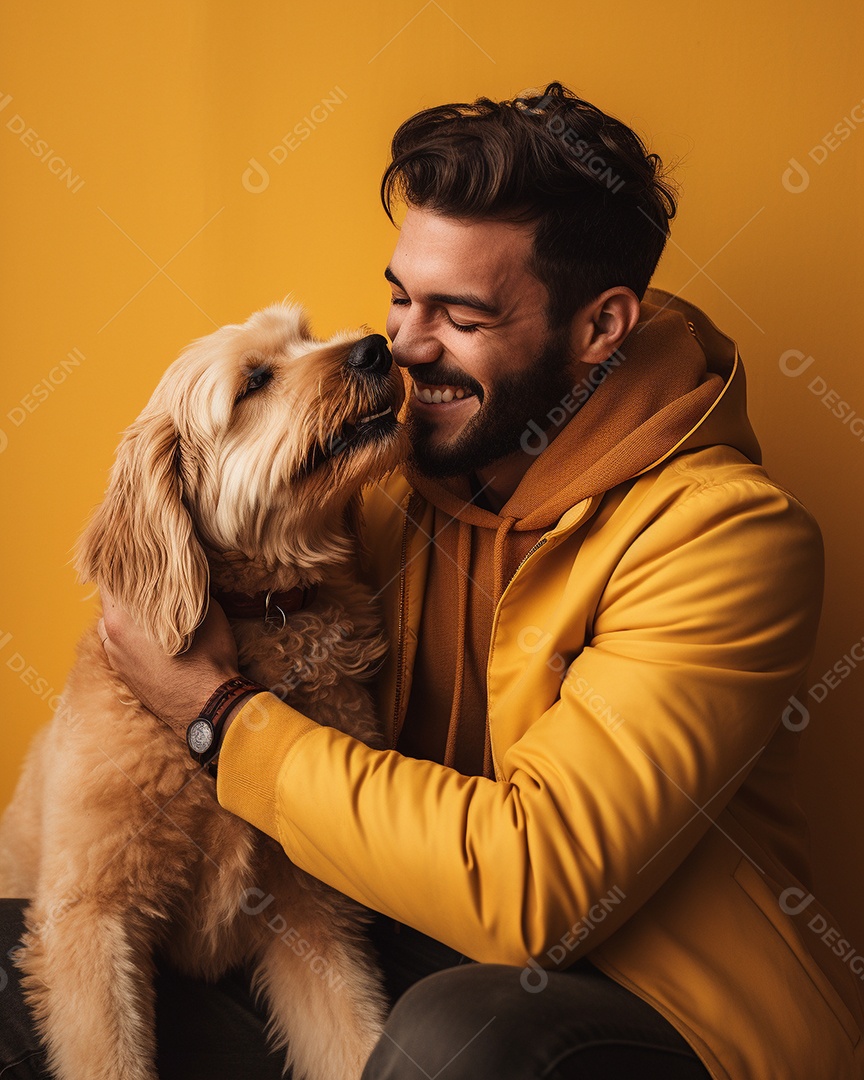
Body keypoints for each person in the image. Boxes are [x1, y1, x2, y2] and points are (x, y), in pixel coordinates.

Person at [2, 82, 863, 1079]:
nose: (406, 348)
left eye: (459, 315)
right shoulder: (391, 478)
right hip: (412, 943)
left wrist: (217, 716)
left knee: (460, 1036)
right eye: (402, 298)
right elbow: (201, 522)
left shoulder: (728, 541)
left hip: (654, 1012)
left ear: (600, 329)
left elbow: (536, 893)